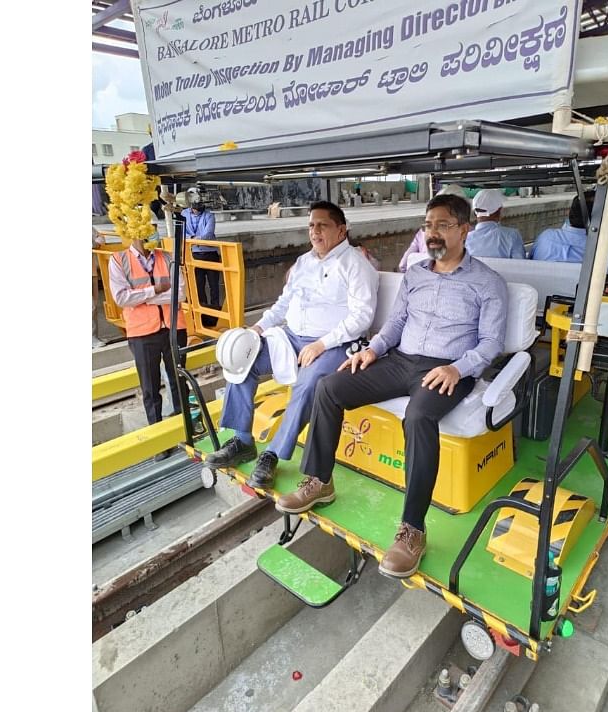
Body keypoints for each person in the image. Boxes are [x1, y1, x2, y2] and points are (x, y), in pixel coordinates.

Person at [278, 193, 507, 579]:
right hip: (400, 360)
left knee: (418, 416)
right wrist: (372, 349)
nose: (432, 233)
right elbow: (396, 324)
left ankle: (412, 529)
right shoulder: (416, 273)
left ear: (465, 230)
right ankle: (320, 480)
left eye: (443, 225)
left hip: (447, 369)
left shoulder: (488, 282)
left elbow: (491, 344)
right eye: (428, 225)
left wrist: (458, 368)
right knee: (329, 387)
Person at [204, 201, 379, 488]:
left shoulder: (356, 265)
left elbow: (362, 316)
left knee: (309, 382)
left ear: (341, 230)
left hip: (336, 344)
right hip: (292, 337)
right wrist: (258, 328)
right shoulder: (304, 263)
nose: (315, 231)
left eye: (322, 225)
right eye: (311, 225)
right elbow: (284, 303)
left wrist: (322, 344)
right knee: (242, 356)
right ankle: (243, 440)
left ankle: (272, 454)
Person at [108, 231, 190, 431]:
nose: (153, 232)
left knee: (179, 381)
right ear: (135, 232)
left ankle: (186, 427)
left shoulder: (168, 256)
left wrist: (142, 298)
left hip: (174, 328)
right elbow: (121, 298)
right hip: (142, 333)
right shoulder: (119, 260)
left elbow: (180, 293)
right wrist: (156, 290)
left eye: (154, 227)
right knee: (150, 388)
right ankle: (158, 437)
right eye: (148, 228)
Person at [397, 184, 466, 272]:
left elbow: (403, 265)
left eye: (443, 226)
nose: (433, 233)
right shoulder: (467, 234)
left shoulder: (421, 234)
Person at [183, 190, 221, 327]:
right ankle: (204, 315)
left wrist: (192, 239)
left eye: (200, 206)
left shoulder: (209, 216)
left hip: (210, 253)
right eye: (195, 206)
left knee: (214, 286)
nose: (198, 209)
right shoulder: (184, 214)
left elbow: (208, 234)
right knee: (198, 287)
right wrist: (195, 240)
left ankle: (216, 314)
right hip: (194, 254)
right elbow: (182, 233)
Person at [464, 188, 525, 259]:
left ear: (475, 213)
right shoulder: (512, 236)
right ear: (499, 211)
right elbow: (521, 264)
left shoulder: (464, 240)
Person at [92, 227, 107, 349]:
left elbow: (101, 238)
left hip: (92, 272)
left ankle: (94, 336)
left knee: (94, 306)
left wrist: (95, 243)